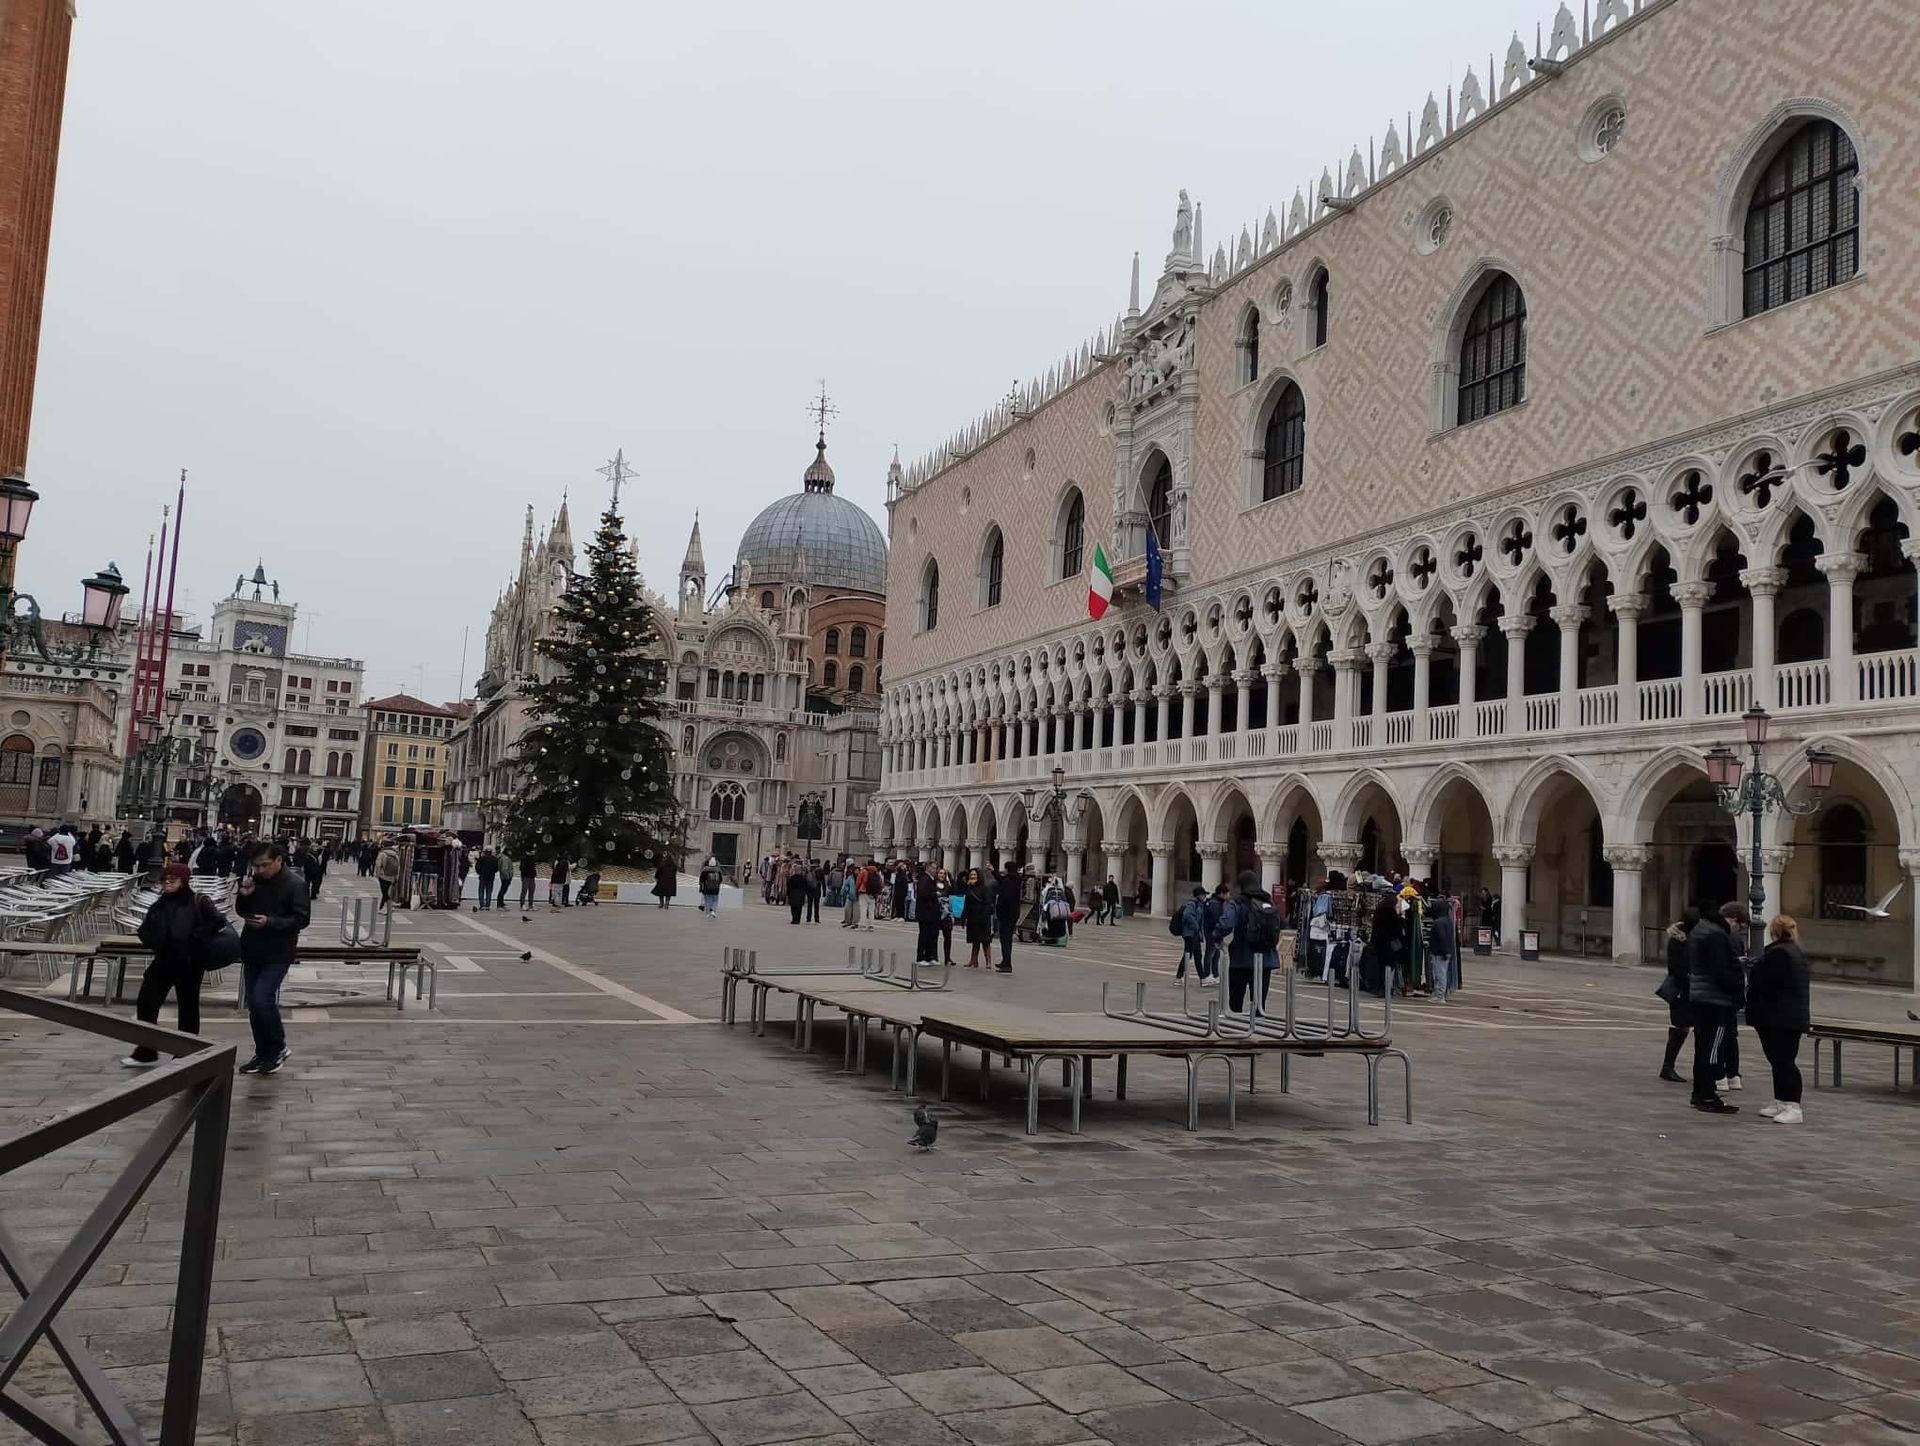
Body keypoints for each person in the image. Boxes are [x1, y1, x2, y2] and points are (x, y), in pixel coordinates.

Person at [122, 863, 233, 1067]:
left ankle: (186, 1052)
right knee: (147, 1002)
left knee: (188, 1007)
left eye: (173, 879)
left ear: (184, 880)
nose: (168, 883)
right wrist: (151, 939)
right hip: (164, 959)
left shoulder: (198, 901)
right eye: (165, 879)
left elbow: (217, 922)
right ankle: (146, 1051)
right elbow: (146, 927)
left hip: (190, 962)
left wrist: (195, 937)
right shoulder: (160, 904)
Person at [236, 842, 310, 1075]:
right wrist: (245, 897)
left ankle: (278, 1048)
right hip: (252, 947)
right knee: (254, 1005)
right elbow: (242, 910)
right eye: (256, 866)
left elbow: (302, 919)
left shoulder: (295, 885)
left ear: (279, 860)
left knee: (261, 998)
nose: (259, 870)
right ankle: (262, 1053)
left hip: (278, 950)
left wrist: (271, 922)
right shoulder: (256, 881)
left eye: (264, 865)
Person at [1686, 901, 1749, 1114]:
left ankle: (1701, 1092)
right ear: (1733, 919)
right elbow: (1721, 971)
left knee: (1703, 1047)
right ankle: (1707, 1094)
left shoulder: (1702, 928)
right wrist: (1736, 989)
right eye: (1740, 927)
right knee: (1711, 1050)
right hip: (1715, 1000)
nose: (1737, 932)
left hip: (1701, 997)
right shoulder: (1715, 935)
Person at [1748, 915, 1811, 1125]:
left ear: (1773, 931)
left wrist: (1754, 969)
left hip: (1780, 1016)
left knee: (1784, 1061)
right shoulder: (1795, 951)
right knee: (1779, 1060)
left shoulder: (1780, 953)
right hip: (1787, 1014)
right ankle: (1781, 1100)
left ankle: (1793, 1105)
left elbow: (1769, 983)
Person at [1219, 871, 1283, 1015]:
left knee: (1235, 1003)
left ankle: (1236, 1032)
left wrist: (1217, 938)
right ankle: (1259, 1032)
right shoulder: (1268, 902)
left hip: (1241, 959)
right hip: (1265, 960)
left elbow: (1226, 924)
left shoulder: (1237, 902)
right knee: (1259, 1004)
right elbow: (1281, 924)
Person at [1656, 911, 1696, 1082]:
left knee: (1683, 1028)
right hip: (1681, 990)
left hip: (1688, 988)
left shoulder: (1688, 939)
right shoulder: (1679, 941)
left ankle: (1668, 1066)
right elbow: (1677, 968)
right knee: (1681, 1028)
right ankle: (1667, 1066)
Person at [961, 868, 995, 967]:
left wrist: (984, 915)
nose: (972, 876)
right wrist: (964, 916)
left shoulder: (984, 888)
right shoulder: (969, 888)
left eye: (974, 875)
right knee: (974, 940)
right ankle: (973, 960)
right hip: (972, 917)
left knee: (985, 941)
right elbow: (966, 903)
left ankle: (988, 961)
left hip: (983, 917)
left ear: (979, 876)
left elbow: (988, 903)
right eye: (971, 875)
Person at [1173, 886, 1206, 980]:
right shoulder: (1192, 904)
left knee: (1197, 956)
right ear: (1199, 895)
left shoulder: (1198, 904)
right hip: (1190, 934)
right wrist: (1196, 926)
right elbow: (1187, 915)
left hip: (1194, 934)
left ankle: (1202, 978)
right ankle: (1179, 977)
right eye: (1203, 895)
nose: (1205, 897)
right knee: (1187, 956)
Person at [993, 861, 1021, 973]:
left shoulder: (1010, 881)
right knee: (1006, 939)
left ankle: (1007, 964)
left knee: (1005, 939)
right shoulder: (1014, 880)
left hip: (1007, 914)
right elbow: (1002, 880)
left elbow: (1005, 895)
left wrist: (998, 905)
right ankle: (1005, 961)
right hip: (1012, 913)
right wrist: (994, 871)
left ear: (1008, 869)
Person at [913, 862, 942, 966]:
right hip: (925, 911)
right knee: (924, 935)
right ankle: (921, 957)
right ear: (928, 868)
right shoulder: (924, 878)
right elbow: (922, 893)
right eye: (934, 868)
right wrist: (935, 894)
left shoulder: (932, 879)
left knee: (932, 934)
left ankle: (930, 956)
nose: (935, 870)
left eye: (936, 868)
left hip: (931, 911)